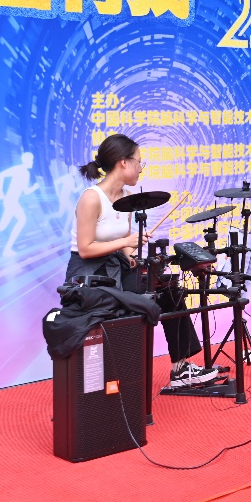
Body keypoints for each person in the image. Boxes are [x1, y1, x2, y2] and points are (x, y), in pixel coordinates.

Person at [68, 133, 217, 388]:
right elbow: (85, 248)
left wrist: (134, 256)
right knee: (135, 299)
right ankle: (118, 377)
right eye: (139, 162)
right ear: (123, 162)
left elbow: (124, 241)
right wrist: (125, 244)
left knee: (168, 289)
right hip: (89, 275)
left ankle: (180, 368)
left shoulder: (126, 197)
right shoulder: (91, 198)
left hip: (116, 265)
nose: (141, 168)